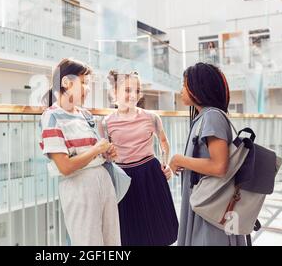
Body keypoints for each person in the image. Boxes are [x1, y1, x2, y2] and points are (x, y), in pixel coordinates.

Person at [39, 58, 121, 246]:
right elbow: (65, 167)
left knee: (113, 242)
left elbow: (93, 151)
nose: (88, 88)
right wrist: (96, 150)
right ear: (66, 83)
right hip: (79, 185)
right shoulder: (51, 116)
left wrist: (106, 153)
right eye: (83, 83)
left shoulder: (85, 115)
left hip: (103, 180)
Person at [169, 62, 246, 246]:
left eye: (185, 84)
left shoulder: (211, 116)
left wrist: (180, 160)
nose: (181, 90)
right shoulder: (205, 117)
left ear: (199, 87)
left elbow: (220, 166)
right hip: (208, 205)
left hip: (210, 209)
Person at [100, 70, 179, 246]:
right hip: (124, 178)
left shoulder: (152, 117)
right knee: (130, 235)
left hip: (150, 174)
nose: (133, 95)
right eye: (127, 90)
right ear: (114, 92)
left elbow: (164, 143)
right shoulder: (105, 123)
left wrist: (167, 166)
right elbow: (104, 155)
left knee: (158, 232)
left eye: (136, 90)